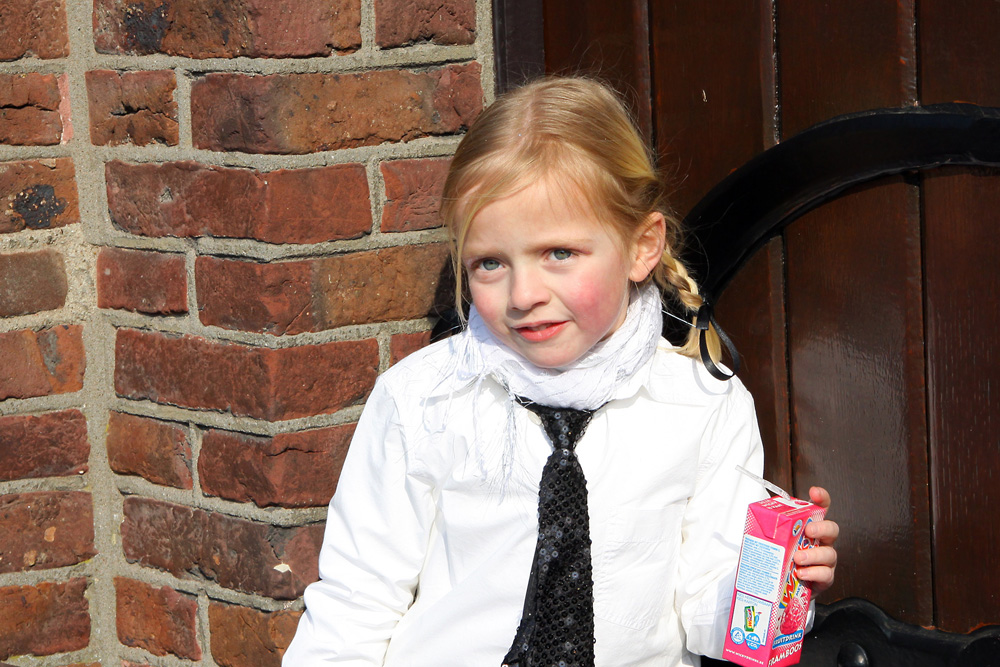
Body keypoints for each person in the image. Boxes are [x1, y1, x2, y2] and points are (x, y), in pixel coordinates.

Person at [283, 76, 839, 666]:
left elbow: (710, 603)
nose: (524, 294)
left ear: (641, 246)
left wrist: (777, 585)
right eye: (490, 263)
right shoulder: (423, 399)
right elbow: (355, 601)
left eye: (559, 253)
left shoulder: (702, 404)